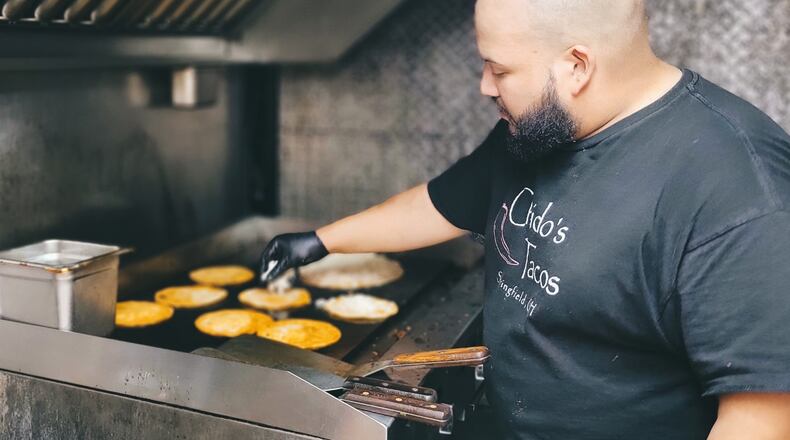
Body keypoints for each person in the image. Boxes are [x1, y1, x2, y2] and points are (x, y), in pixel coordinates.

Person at [260, 0, 790, 438]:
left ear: (577, 66)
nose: (484, 86)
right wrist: (321, 240)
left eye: (499, 69)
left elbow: (760, 420)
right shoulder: (541, 127)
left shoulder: (738, 188)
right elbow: (444, 202)